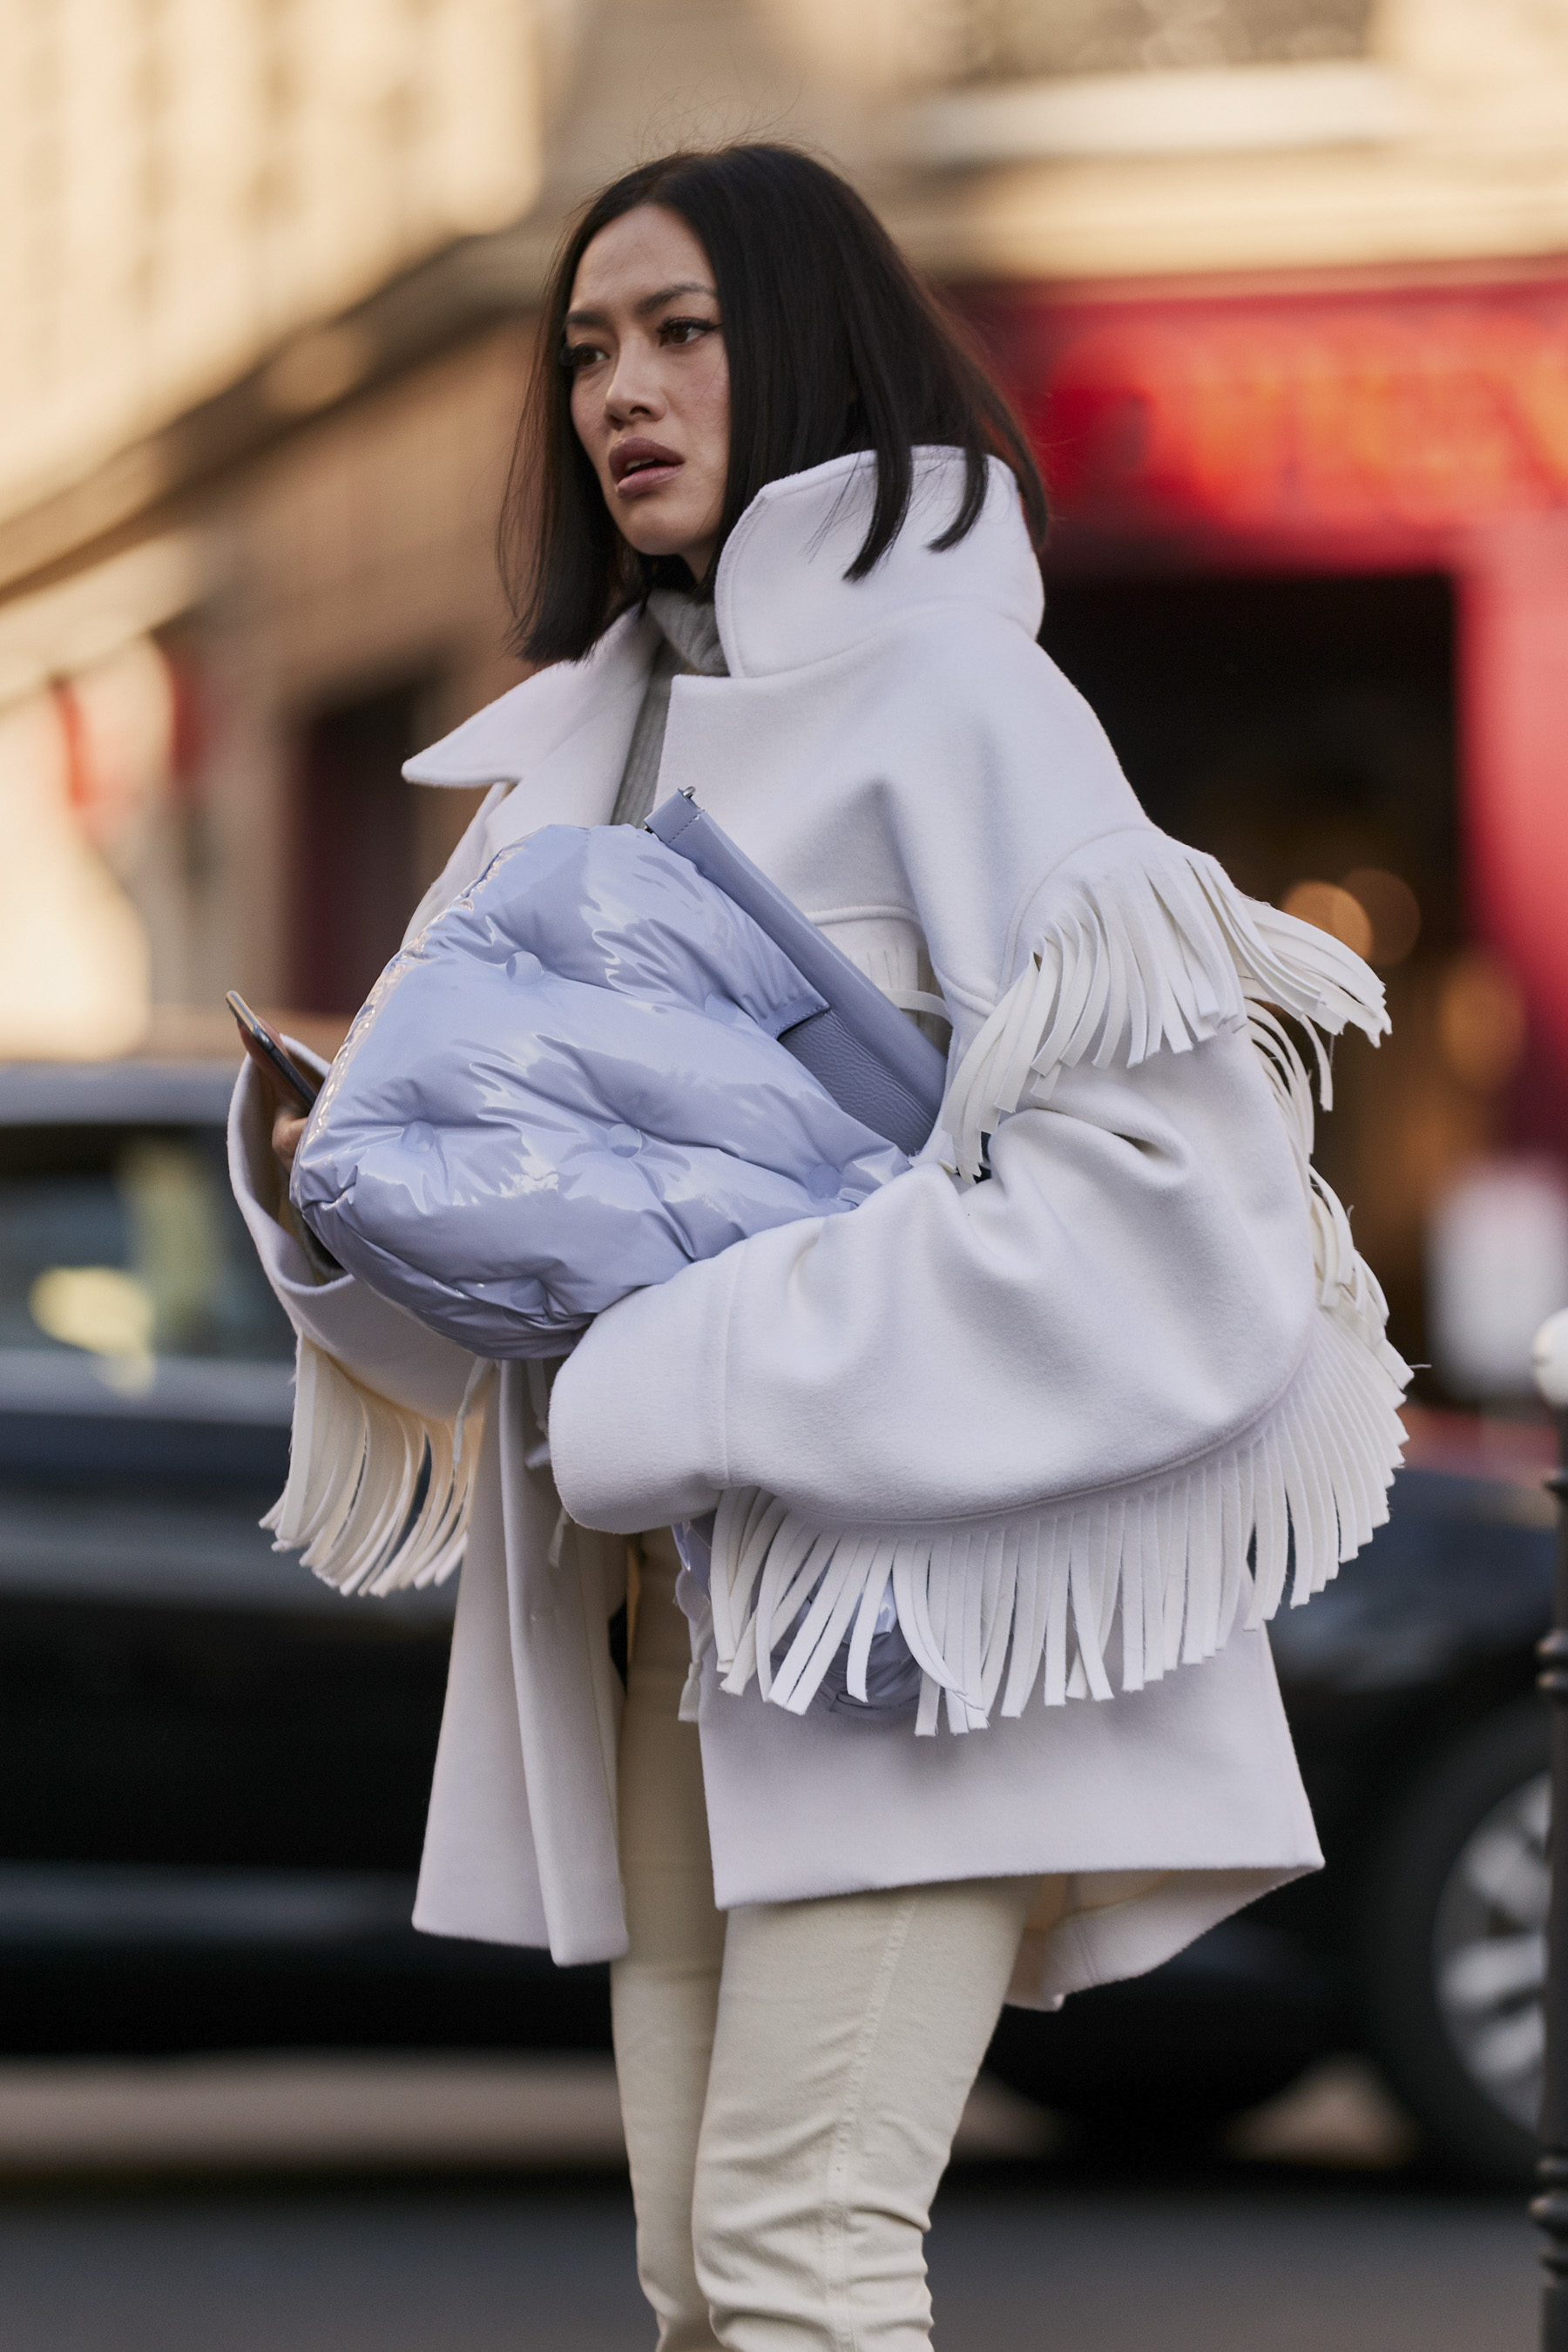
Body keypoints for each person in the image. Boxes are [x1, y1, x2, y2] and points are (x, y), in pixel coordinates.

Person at [231, 145, 1407, 2351]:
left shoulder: (975, 712)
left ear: (809, 351)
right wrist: (339, 1208)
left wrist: (688, 1368)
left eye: (683, 332)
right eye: (588, 348)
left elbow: (1173, 1224)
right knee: (701, 2279)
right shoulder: (564, 755)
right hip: (672, 1634)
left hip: (920, 1620)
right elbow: (516, 1249)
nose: (622, 392)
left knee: (802, 2254)